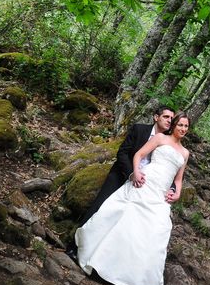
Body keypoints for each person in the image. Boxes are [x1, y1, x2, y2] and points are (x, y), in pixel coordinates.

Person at [75, 112, 190, 285]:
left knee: (155, 230)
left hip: (160, 194)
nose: (183, 129)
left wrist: (177, 193)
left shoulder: (185, 153)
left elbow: (179, 179)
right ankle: (101, 265)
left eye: (186, 126)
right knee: (126, 220)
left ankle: (134, 277)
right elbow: (139, 154)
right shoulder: (160, 138)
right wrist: (135, 172)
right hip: (145, 182)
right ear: (174, 125)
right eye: (180, 125)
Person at [65, 105, 176, 259]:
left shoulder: (168, 142)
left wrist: (173, 188)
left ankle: (104, 258)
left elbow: (168, 168)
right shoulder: (139, 129)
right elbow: (122, 152)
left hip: (145, 186)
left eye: (171, 118)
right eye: (166, 117)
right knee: (100, 207)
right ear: (156, 117)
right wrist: (132, 173)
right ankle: (74, 247)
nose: (169, 120)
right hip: (122, 175)